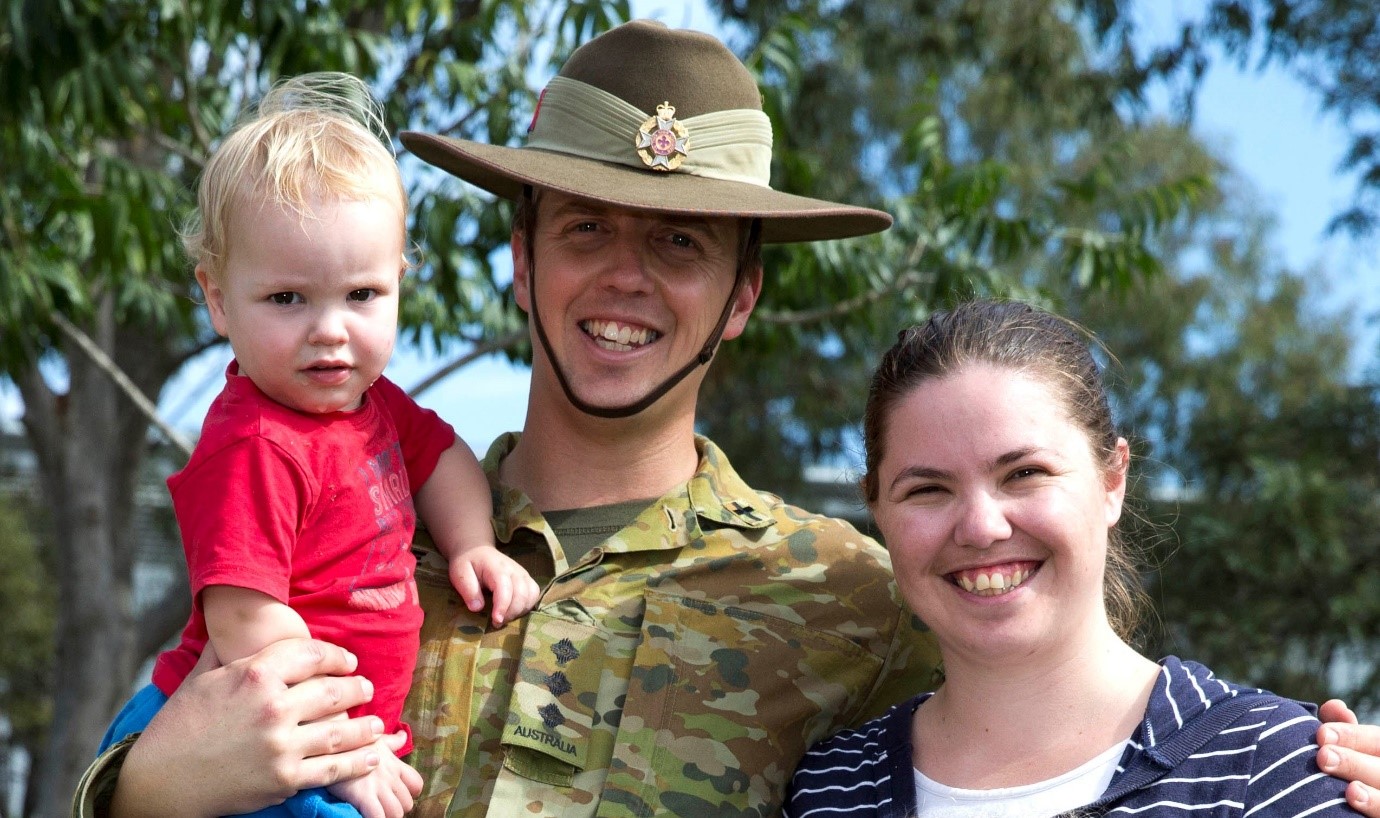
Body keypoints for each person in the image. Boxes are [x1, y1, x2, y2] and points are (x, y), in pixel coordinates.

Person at [72, 20, 1380, 818]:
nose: (627, 275)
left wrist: (1307, 761)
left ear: (744, 293)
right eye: (585, 227)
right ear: (520, 262)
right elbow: (195, 717)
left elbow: (1060, 721)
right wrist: (143, 792)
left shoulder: (846, 593)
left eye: (683, 242)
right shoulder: (356, 506)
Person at [93, 72, 539, 818]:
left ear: (398, 283)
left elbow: (443, 457)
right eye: (287, 299)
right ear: (217, 300)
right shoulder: (254, 443)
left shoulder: (375, 406)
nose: (329, 329)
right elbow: (247, 627)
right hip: (254, 740)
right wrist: (348, 753)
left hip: (312, 739)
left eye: (361, 296)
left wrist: (472, 547)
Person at [783, 299, 1363, 817]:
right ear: (877, 509)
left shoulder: (1277, 774)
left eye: (1025, 474)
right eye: (927, 490)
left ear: (1113, 480)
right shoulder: (828, 790)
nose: (982, 528)